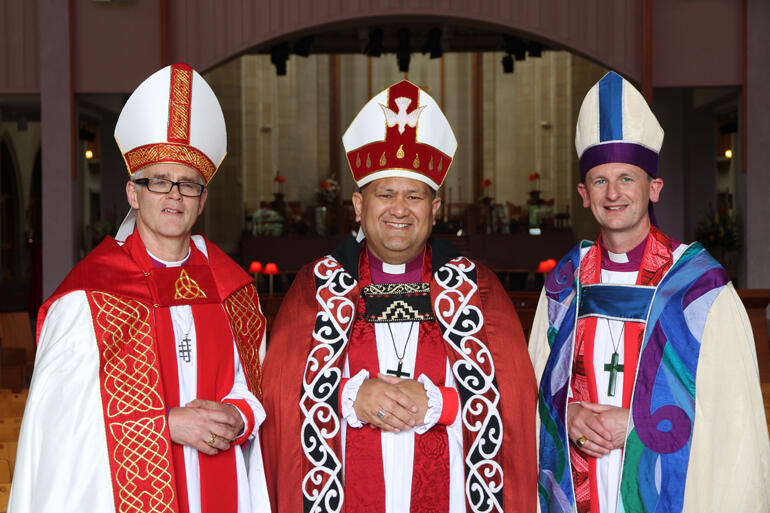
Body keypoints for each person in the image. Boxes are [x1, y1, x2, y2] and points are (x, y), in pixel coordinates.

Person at [261, 79, 537, 513]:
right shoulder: (317, 288)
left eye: (415, 195)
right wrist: (352, 397)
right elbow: (279, 398)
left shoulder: (477, 290)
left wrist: (443, 403)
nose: (399, 208)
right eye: (385, 194)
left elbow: (516, 404)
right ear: (357, 205)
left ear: (436, 208)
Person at [9, 63, 270, 513]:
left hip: (223, 484)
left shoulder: (232, 289)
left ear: (202, 199)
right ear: (133, 193)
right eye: (159, 181)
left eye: (188, 184)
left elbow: (259, 383)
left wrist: (241, 417)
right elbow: (58, 423)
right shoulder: (90, 295)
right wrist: (165, 424)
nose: (174, 195)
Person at [530, 71, 770, 513]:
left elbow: (735, 422)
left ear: (653, 188)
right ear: (584, 194)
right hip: (580, 481)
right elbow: (537, 386)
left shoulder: (700, 290)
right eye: (600, 181)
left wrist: (641, 427)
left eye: (627, 178)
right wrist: (567, 415)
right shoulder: (566, 284)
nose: (613, 193)